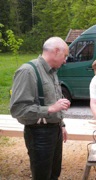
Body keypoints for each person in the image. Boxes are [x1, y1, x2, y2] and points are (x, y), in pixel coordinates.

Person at [10, 37, 71, 180]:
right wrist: (49, 109)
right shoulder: (27, 71)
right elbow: (18, 110)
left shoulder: (52, 72)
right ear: (56, 51)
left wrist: (61, 124)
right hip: (39, 134)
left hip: (54, 131)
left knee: (54, 174)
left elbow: (54, 102)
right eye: (65, 56)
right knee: (42, 176)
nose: (65, 61)